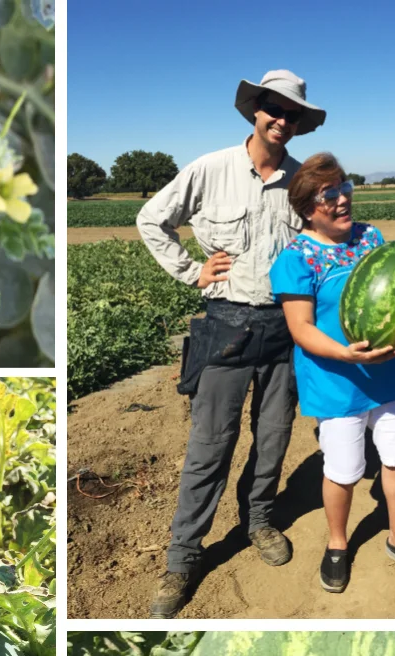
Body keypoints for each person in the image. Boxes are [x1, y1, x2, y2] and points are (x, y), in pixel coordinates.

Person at [136, 69, 326, 618]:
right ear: (255, 111)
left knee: (273, 438)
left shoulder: (301, 181)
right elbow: (152, 220)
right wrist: (191, 271)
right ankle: (183, 558)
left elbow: (324, 247)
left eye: (292, 114)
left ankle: (260, 520)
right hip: (225, 326)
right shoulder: (210, 169)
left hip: (285, 329)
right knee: (210, 446)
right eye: (274, 109)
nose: (281, 120)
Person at [269, 152, 395, 593]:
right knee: (345, 469)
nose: (343, 200)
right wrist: (348, 355)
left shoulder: (372, 237)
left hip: (388, 376)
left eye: (345, 189)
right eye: (331, 195)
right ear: (309, 207)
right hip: (335, 383)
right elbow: (302, 329)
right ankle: (337, 545)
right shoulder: (296, 259)